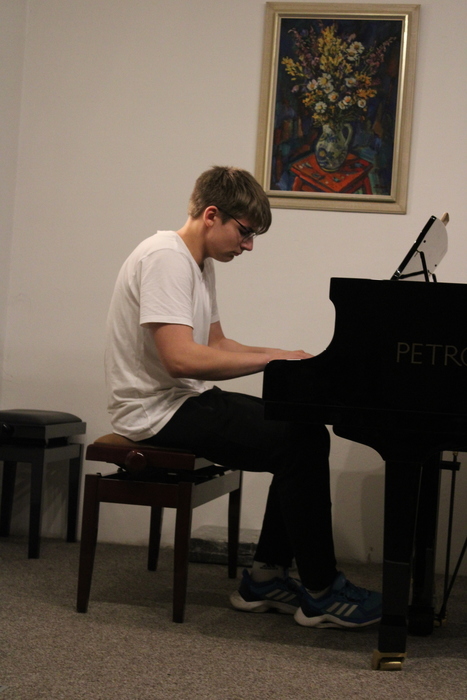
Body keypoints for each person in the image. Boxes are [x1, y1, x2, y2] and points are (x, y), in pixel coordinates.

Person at [105, 165, 382, 629]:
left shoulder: (198, 262)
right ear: (212, 215)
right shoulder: (165, 258)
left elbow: (216, 344)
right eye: (246, 232)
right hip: (153, 412)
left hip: (180, 401)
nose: (249, 245)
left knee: (301, 428)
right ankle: (321, 592)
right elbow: (180, 359)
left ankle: (266, 578)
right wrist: (273, 361)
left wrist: (286, 355)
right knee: (299, 441)